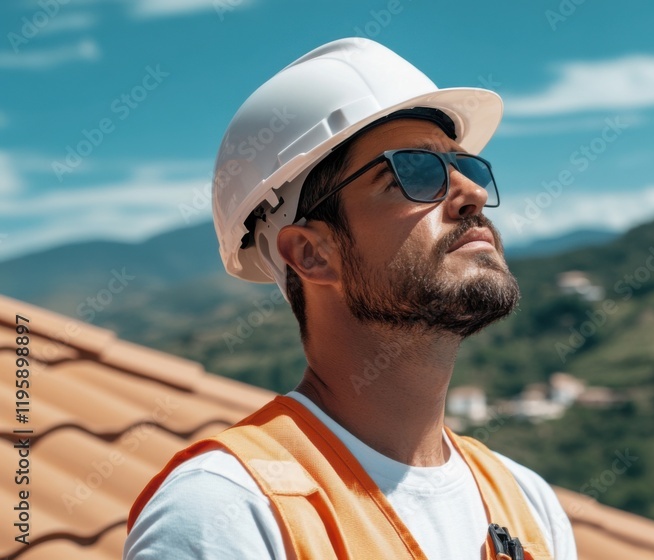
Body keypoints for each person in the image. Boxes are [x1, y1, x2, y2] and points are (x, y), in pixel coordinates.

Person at [124, 38, 578, 560]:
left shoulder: (527, 504)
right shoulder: (227, 513)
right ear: (312, 253)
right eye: (414, 172)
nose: (470, 193)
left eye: (468, 167)